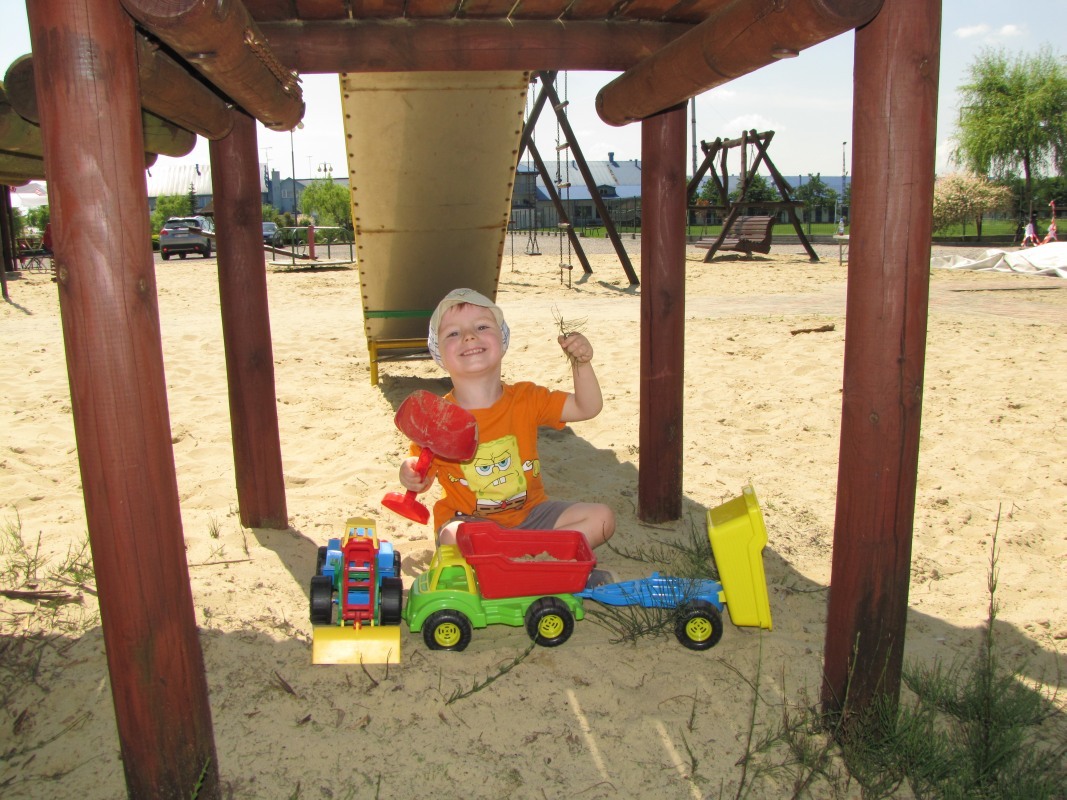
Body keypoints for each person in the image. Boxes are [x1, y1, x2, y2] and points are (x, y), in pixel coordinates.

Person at [397, 287, 615, 550]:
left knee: (602, 518)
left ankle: (517, 552)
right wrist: (409, 472)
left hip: (533, 515)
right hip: (470, 521)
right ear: (438, 353)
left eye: (481, 327)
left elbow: (586, 407)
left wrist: (581, 363)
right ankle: (534, 552)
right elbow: (421, 476)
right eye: (453, 333)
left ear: (502, 339)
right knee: (453, 535)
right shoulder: (437, 418)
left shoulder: (527, 398)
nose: (469, 336)